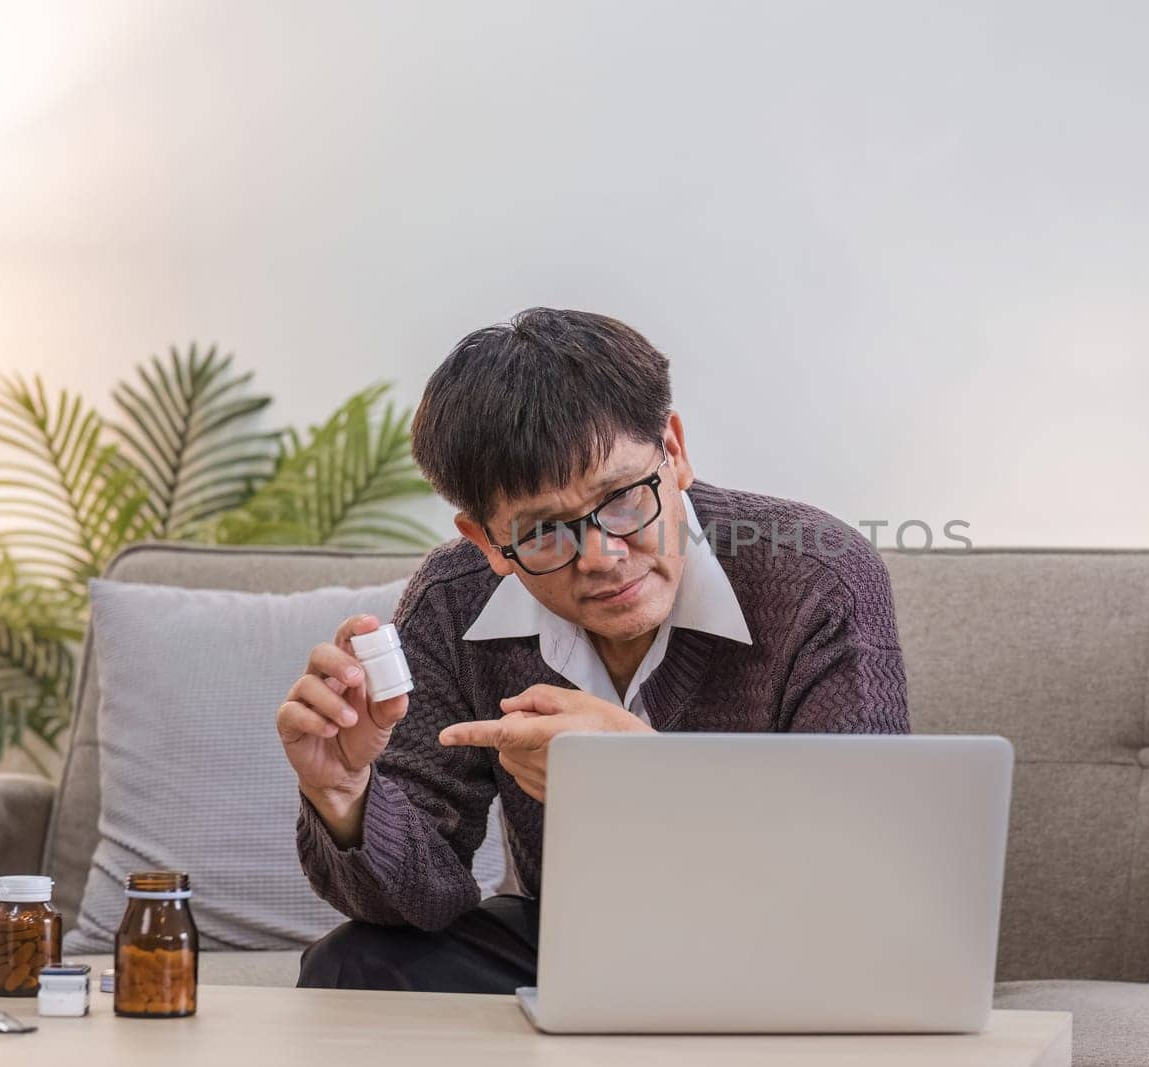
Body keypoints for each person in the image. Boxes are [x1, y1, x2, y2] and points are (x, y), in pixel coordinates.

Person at [279, 308, 909, 992]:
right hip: (568, 946)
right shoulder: (450, 602)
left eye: (622, 498)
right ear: (486, 540)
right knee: (352, 963)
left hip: (784, 949)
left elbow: (860, 870)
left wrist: (650, 779)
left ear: (674, 450)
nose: (604, 557)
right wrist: (346, 794)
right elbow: (422, 899)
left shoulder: (821, 576)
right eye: (545, 530)